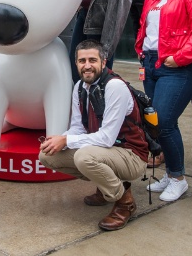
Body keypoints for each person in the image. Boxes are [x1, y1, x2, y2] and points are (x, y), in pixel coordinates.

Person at [40, 39, 147, 231]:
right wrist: (59, 141)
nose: (87, 66)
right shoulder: (80, 87)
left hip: (131, 155)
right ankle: (105, 188)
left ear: (103, 62)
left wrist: (67, 140)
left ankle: (125, 202)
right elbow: (77, 129)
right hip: (105, 152)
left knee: (85, 157)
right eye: (82, 61)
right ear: (76, 64)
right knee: (48, 155)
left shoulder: (115, 86)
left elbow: (106, 137)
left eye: (92, 60)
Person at [135, 0, 192, 202]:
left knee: (164, 121)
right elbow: (145, 28)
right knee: (158, 124)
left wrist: (178, 58)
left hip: (178, 66)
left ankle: (178, 179)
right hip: (152, 63)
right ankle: (170, 173)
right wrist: (141, 53)